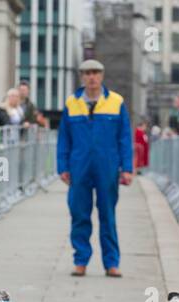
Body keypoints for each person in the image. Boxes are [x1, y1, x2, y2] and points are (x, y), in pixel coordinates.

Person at [56, 59, 133, 278]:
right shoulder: (72, 103)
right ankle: (81, 261)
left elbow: (124, 138)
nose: (92, 77)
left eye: (96, 73)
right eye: (88, 73)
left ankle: (111, 263)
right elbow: (64, 138)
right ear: (82, 76)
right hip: (79, 165)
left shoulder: (116, 102)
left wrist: (127, 167)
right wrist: (62, 166)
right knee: (79, 214)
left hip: (107, 166)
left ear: (102, 76)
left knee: (107, 215)